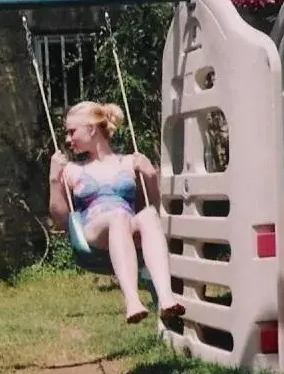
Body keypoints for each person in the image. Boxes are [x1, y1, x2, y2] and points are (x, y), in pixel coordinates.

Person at [48, 100, 186, 324]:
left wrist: (151, 178)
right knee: (118, 216)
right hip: (93, 231)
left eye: (72, 132)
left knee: (148, 216)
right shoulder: (71, 170)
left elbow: (152, 205)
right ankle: (132, 301)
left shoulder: (130, 163)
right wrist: (54, 179)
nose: (67, 139)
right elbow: (61, 218)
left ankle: (167, 298)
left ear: (91, 129)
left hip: (126, 226)